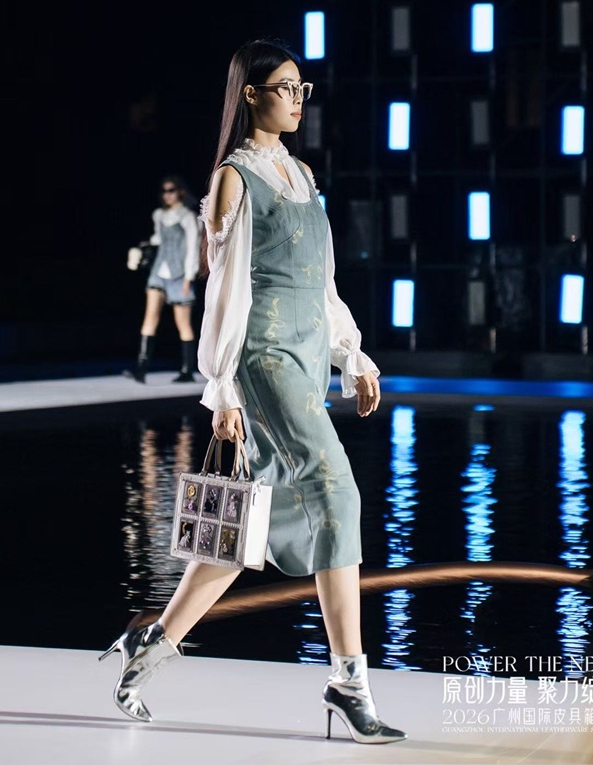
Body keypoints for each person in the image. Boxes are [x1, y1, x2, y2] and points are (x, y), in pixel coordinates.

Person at [101, 37, 407, 745]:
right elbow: (226, 292)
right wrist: (222, 389)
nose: (298, 100)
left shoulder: (301, 173)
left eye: (303, 89)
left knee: (247, 527)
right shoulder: (233, 178)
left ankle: (151, 643)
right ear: (251, 95)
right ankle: (349, 680)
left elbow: (321, 282)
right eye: (286, 88)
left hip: (307, 355)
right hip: (262, 359)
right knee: (336, 493)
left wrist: (354, 356)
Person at [124, 174, 201, 384]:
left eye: (171, 190)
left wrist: (189, 277)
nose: (167, 195)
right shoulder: (159, 215)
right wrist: (144, 246)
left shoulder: (187, 216)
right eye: (164, 191)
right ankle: (141, 368)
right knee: (150, 317)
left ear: (180, 192)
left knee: (182, 323)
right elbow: (159, 238)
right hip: (159, 270)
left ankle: (187, 370)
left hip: (179, 274)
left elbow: (193, 246)